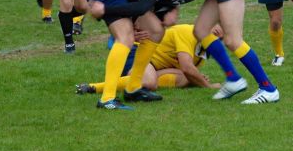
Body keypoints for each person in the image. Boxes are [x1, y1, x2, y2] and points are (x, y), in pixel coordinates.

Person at [90, 0, 281, 105]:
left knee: (232, 39)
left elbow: (141, 10)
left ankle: (268, 88)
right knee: (201, 30)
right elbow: (155, 16)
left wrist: (106, 10)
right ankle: (233, 78)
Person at [84, 0, 176, 110]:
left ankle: (133, 89)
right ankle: (107, 99)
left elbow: (141, 5)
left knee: (155, 30)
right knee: (124, 38)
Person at [76, 10, 223, 94]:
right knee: (150, 82)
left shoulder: (203, 53)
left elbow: (186, 71)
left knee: (188, 79)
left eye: (220, 35)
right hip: (136, 53)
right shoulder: (188, 32)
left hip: (153, 66)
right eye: (216, 27)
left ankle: (141, 78)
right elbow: (186, 67)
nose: (217, 33)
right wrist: (207, 85)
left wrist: (195, 78)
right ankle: (92, 87)